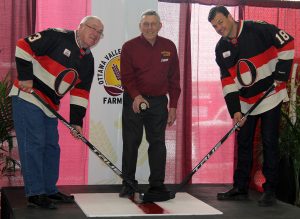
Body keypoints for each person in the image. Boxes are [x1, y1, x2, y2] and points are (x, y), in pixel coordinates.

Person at [9, 16, 104, 209]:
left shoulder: (88, 61)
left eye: (100, 33)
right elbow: (23, 45)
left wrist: (76, 122)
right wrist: (26, 77)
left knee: (52, 147)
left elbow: (81, 93)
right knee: (34, 143)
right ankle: (35, 193)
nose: (95, 34)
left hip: (50, 105)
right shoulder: (56, 36)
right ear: (80, 26)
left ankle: (49, 190)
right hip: (28, 96)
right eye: (92, 28)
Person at [208, 6, 294, 207]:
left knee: (269, 141)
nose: (219, 28)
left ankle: (270, 189)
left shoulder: (257, 28)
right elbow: (228, 82)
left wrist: (281, 75)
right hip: (247, 102)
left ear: (230, 17)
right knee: (244, 142)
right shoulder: (221, 49)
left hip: (270, 95)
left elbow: (288, 41)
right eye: (215, 26)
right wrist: (235, 110)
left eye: (220, 22)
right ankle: (240, 187)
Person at [119, 9, 181, 198]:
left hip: (159, 103)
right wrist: (136, 96)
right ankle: (129, 184)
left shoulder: (169, 46)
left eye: (153, 24)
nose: (150, 27)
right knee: (131, 143)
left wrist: (173, 106)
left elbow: (174, 79)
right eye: (146, 24)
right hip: (134, 101)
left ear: (160, 26)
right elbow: (127, 77)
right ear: (140, 26)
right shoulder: (129, 47)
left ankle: (157, 185)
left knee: (158, 143)